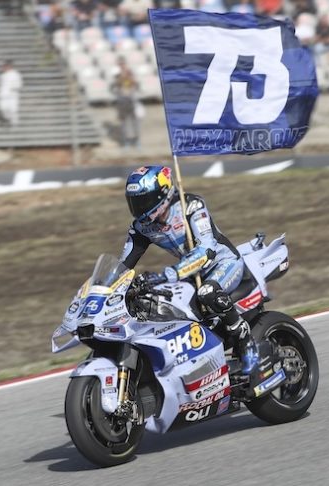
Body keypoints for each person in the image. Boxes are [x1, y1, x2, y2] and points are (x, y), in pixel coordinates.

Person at [120, 165, 260, 375]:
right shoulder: (141, 227)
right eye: (134, 202)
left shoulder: (191, 206)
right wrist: (106, 288)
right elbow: (123, 265)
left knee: (207, 292)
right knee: (162, 304)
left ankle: (246, 341)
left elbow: (206, 251)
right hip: (190, 273)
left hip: (223, 263)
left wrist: (168, 275)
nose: (139, 208)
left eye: (143, 201)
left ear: (162, 195)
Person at [111, 57, 140, 149]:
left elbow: (136, 85)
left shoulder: (130, 73)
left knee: (134, 121)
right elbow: (114, 87)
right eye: (120, 64)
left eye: (123, 64)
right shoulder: (117, 76)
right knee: (123, 122)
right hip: (122, 101)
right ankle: (126, 141)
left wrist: (130, 79)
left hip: (130, 100)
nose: (122, 66)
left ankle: (136, 140)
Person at [0, 60, 23, 126]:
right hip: (3, 95)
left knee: (13, 109)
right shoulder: (2, 75)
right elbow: (1, 85)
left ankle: (15, 123)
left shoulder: (16, 74)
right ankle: (7, 119)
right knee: (3, 108)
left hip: (12, 95)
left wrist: (14, 88)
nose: (3, 68)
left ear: (9, 67)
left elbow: (19, 84)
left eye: (5, 66)